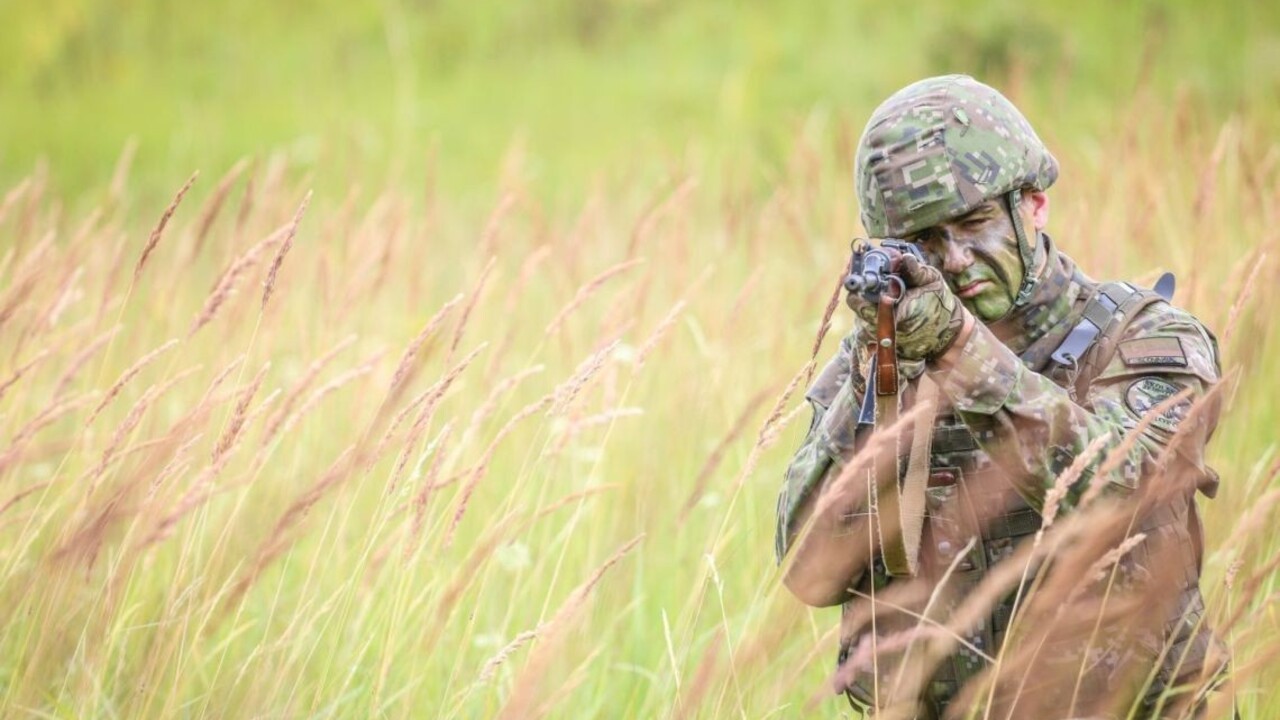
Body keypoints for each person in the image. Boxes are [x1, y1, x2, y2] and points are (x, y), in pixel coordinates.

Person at [774, 75, 1228, 719]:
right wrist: (881, 374)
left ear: (1034, 205)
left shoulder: (1145, 339)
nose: (955, 259)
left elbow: (1131, 489)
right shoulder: (883, 366)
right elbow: (810, 571)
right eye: (926, 241)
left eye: (974, 220)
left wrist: (960, 351)